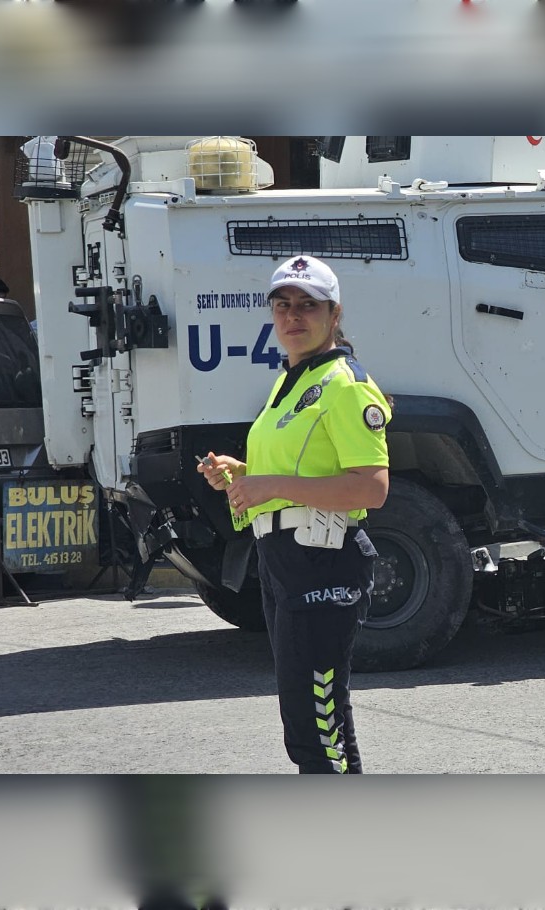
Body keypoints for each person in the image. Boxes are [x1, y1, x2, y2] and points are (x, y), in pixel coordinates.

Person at [197, 254, 391, 773]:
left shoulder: (343, 384)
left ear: (334, 313)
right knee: (301, 721)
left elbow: (371, 488)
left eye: (308, 305)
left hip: (325, 559)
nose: (293, 316)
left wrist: (270, 484)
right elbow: (293, 470)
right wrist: (240, 474)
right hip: (284, 558)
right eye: (283, 305)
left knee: (321, 722)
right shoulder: (291, 380)